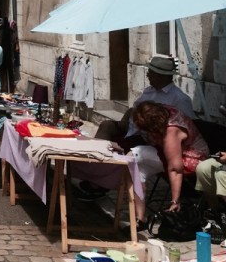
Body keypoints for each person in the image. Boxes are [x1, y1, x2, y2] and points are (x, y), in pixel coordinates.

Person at [81, 54, 196, 201]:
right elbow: (135, 108)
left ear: (161, 76)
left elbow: (187, 125)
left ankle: (99, 184)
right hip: (133, 130)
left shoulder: (179, 99)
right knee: (106, 126)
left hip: (150, 138)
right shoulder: (149, 90)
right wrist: (126, 119)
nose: (147, 74)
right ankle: (94, 171)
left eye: (151, 72)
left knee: (116, 148)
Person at [129, 100, 208, 225]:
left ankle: (140, 215)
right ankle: (140, 218)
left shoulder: (171, 130)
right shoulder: (164, 111)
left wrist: (175, 201)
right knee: (136, 166)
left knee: (135, 154)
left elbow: (175, 168)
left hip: (191, 159)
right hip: (170, 152)